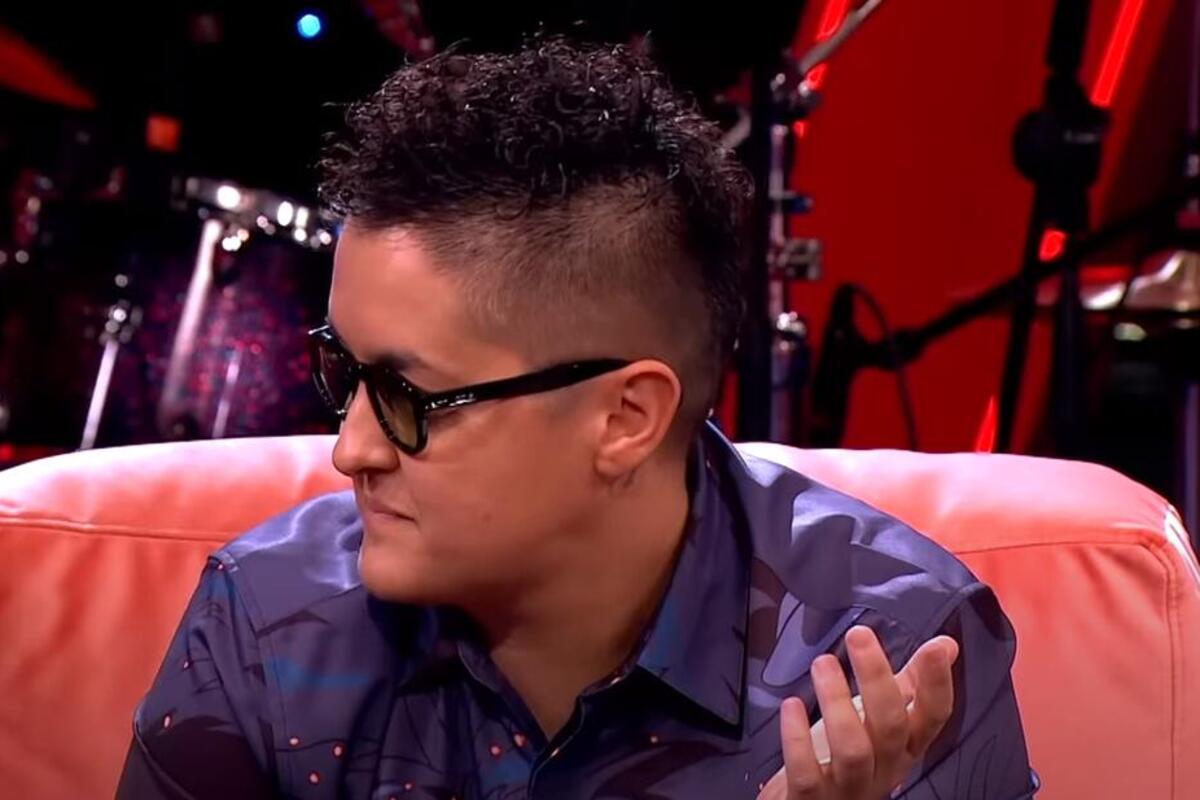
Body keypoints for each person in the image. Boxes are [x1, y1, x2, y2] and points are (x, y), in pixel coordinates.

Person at [116, 37, 1039, 799]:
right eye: (343, 372)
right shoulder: (267, 624)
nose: (349, 449)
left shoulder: (895, 659)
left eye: (407, 397)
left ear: (625, 418)